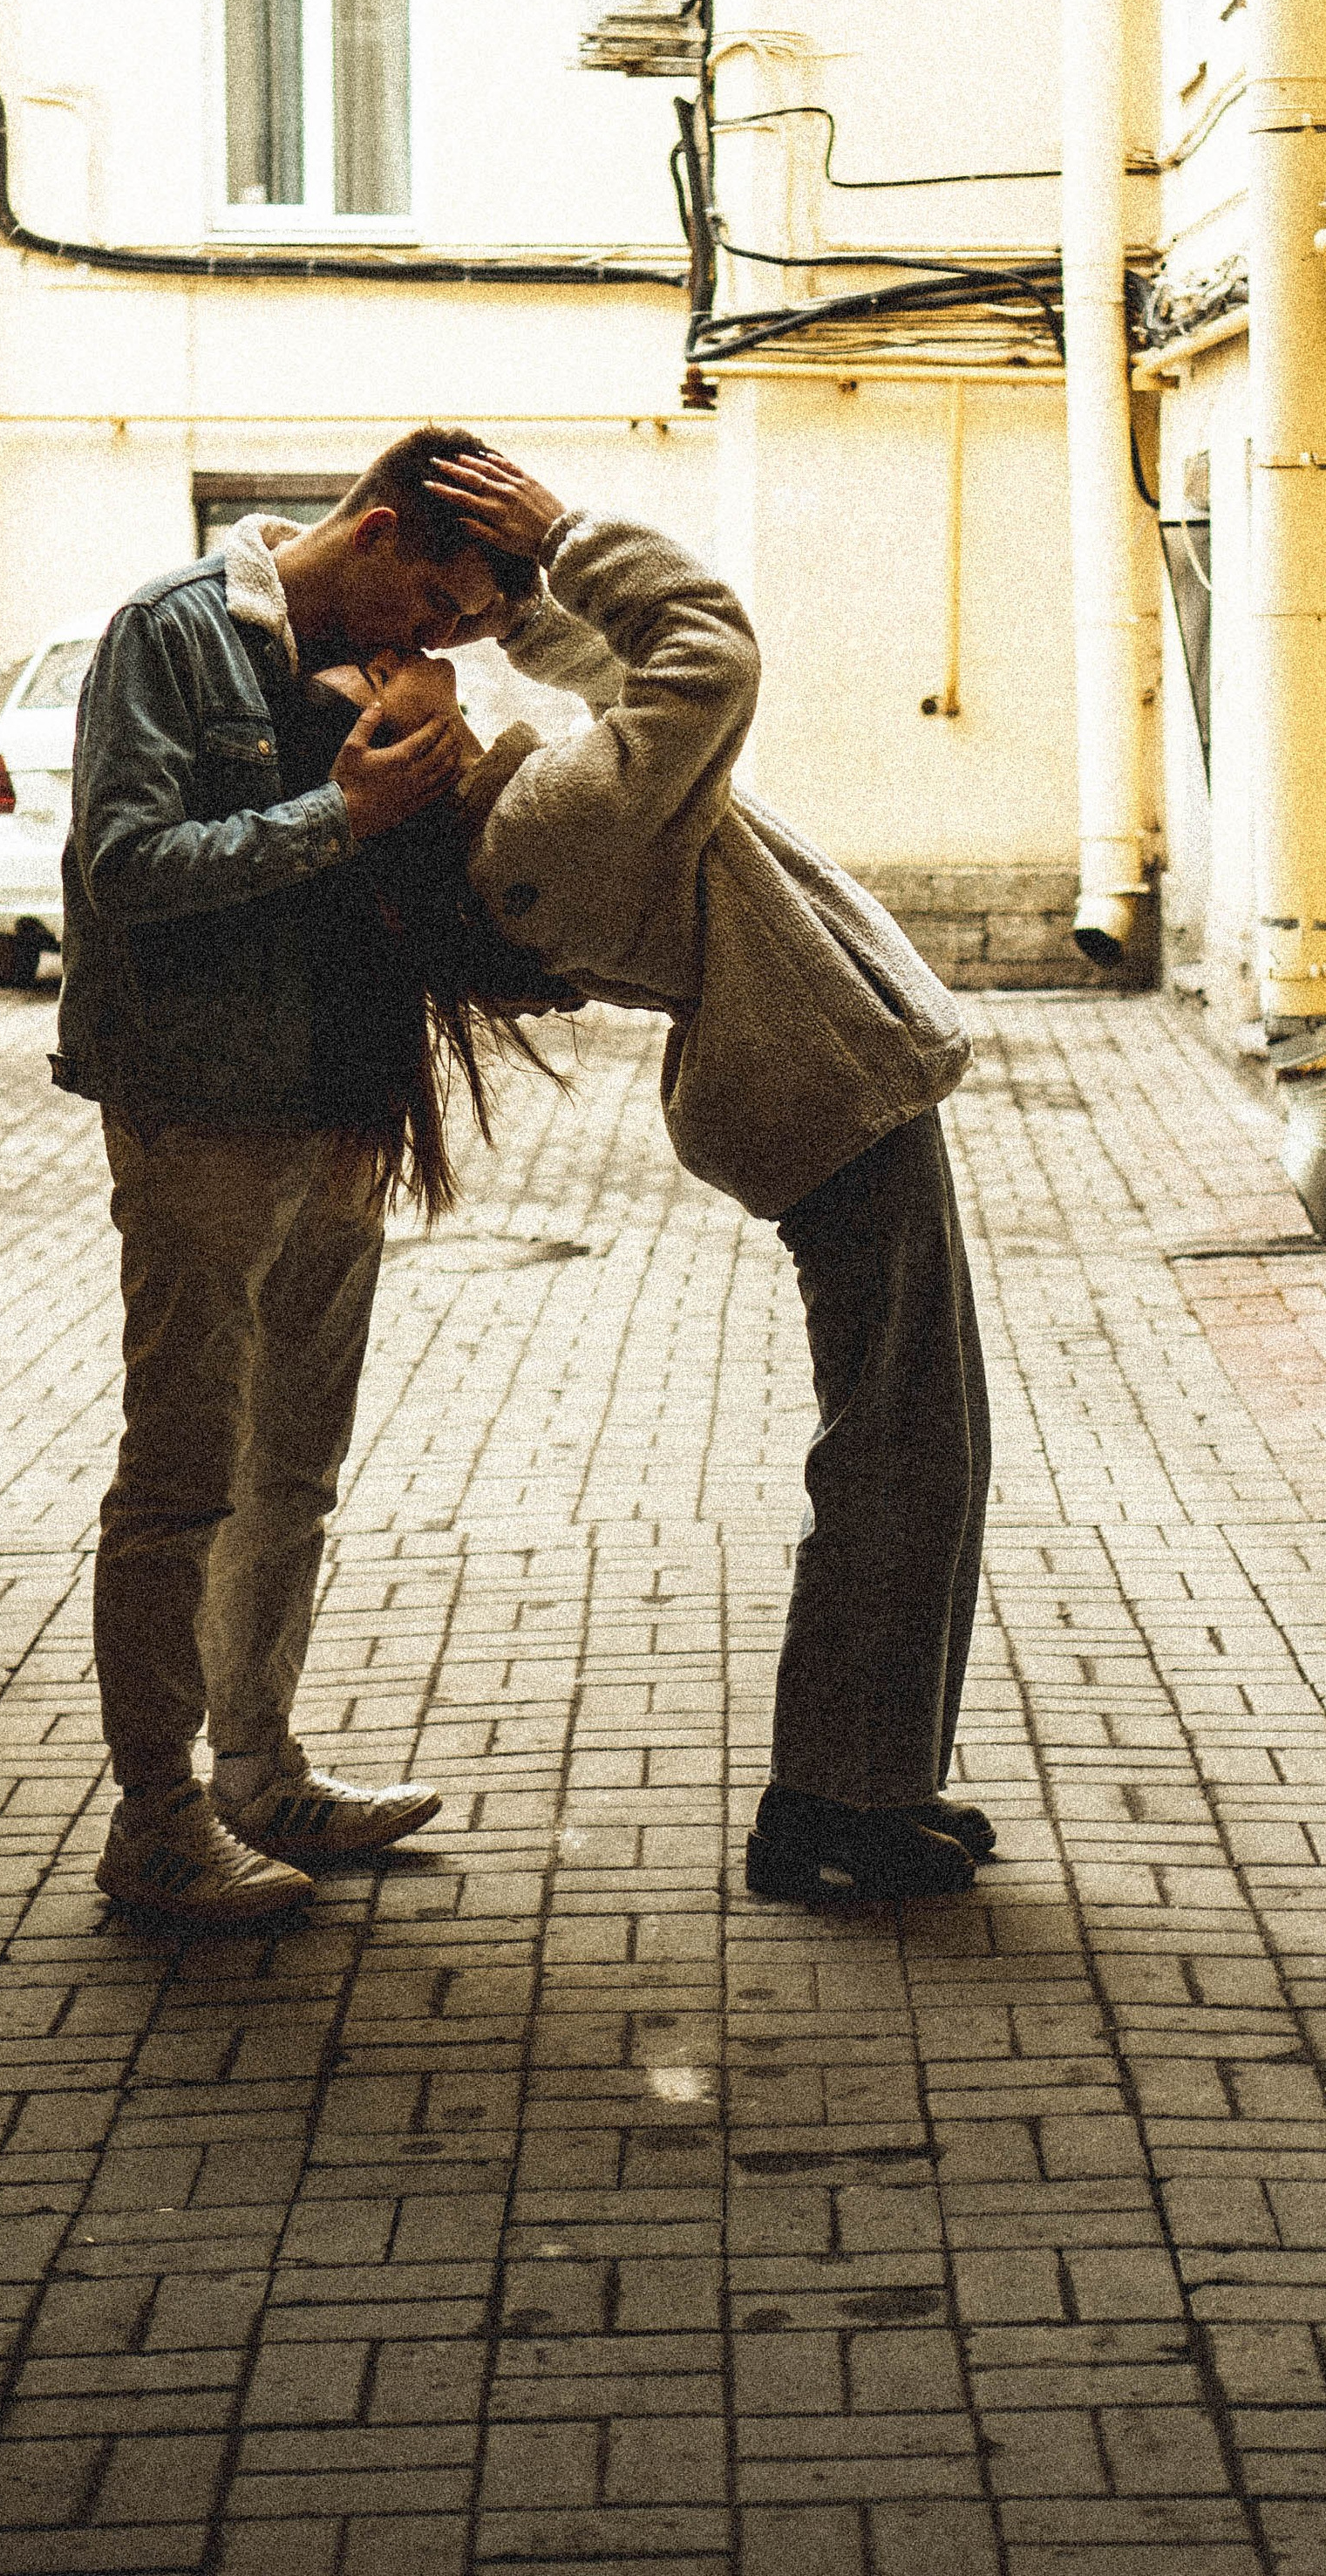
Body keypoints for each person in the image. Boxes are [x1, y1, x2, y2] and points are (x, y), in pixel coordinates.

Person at [327, 443, 996, 1904]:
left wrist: (515, 608)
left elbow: (620, 693)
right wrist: (566, 538)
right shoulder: (545, 827)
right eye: (379, 674)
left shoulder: (520, 819)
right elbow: (704, 659)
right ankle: (829, 1804)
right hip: (826, 1099)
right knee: (898, 1451)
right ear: (393, 752)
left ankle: (881, 1778)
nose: (407, 656)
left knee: (925, 1444)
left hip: (821, 1092)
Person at [56, 428, 544, 1925]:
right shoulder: (171, 634)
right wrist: (348, 813)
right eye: (438, 609)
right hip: (201, 1111)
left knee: (292, 1473)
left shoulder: (372, 672)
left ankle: (256, 1774)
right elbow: (126, 868)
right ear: (381, 530)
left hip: (340, 1111)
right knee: (181, 1476)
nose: (437, 644)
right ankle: (152, 1821)